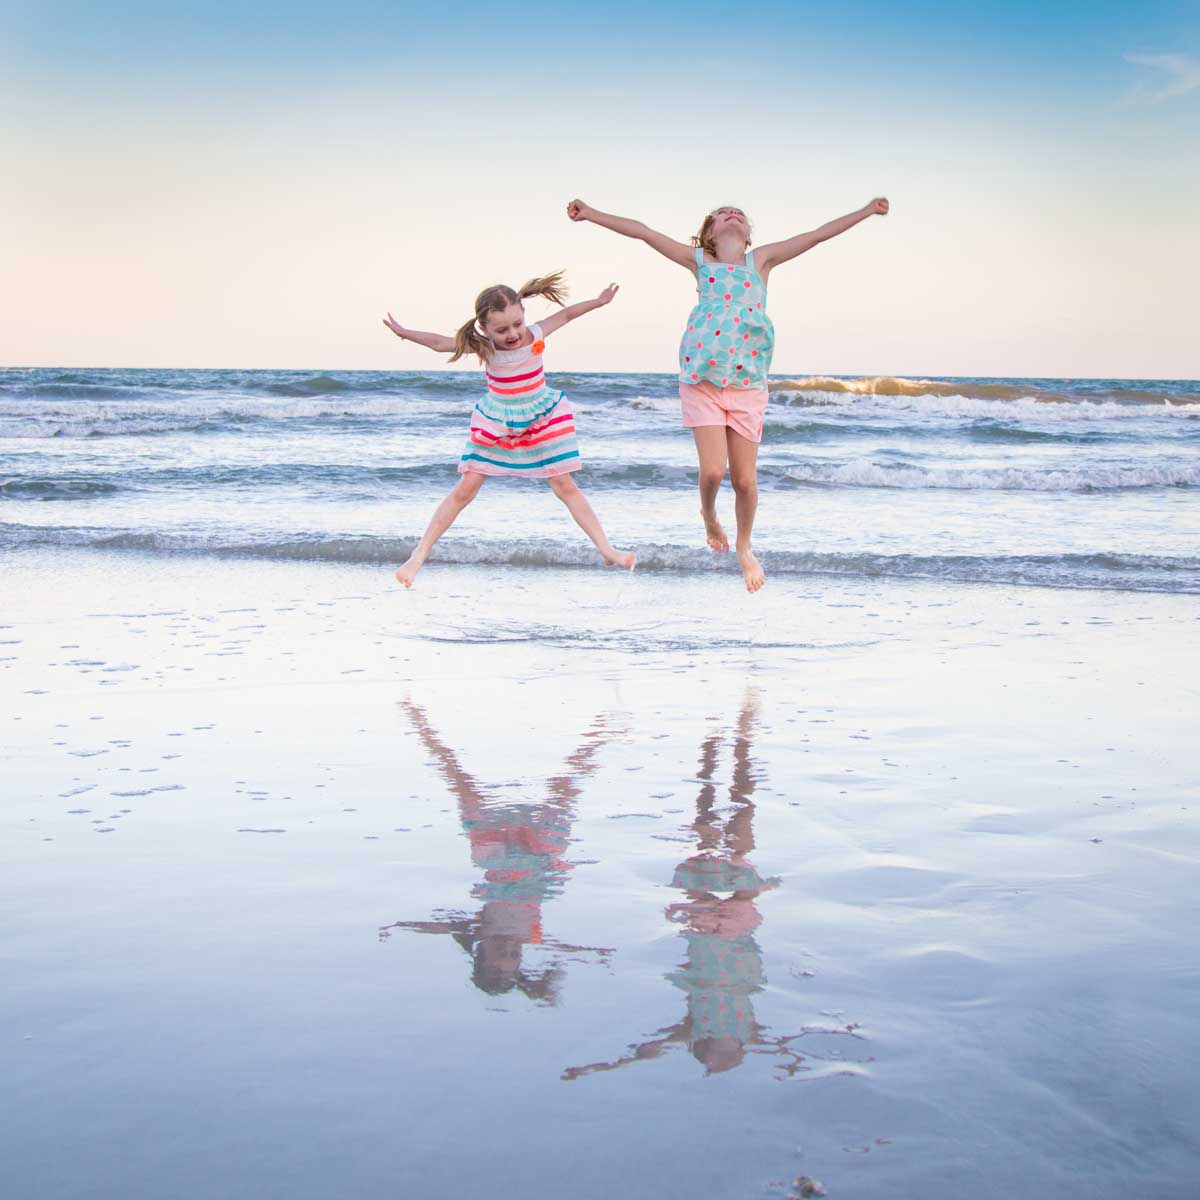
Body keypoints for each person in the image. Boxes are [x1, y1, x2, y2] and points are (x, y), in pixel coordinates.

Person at [566, 197, 889, 592]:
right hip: (702, 379)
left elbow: (817, 236)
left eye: (738, 214)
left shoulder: (762, 262)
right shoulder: (700, 262)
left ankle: (744, 545)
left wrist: (866, 211)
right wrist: (592, 215)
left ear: (749, 236)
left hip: (748, 384)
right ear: (710, 234)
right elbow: (643, 232)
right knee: (714, 471)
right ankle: (708, 516)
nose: (732, 214)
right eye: (722, 214)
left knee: (747, 484)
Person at [382, 272, 636, 587]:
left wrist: (598, 302)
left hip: (541, 416)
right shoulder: (484, 346)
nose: (513, 334)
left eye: (517, 324)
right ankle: (418, 555)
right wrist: (404, 333)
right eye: (501, 329)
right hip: (499, 422)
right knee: (466, 488)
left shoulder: (537, 331)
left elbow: (568, 313)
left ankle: (606, 549)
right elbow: (438, 344)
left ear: (523, 314)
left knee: (564, 484)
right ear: (484, 328)